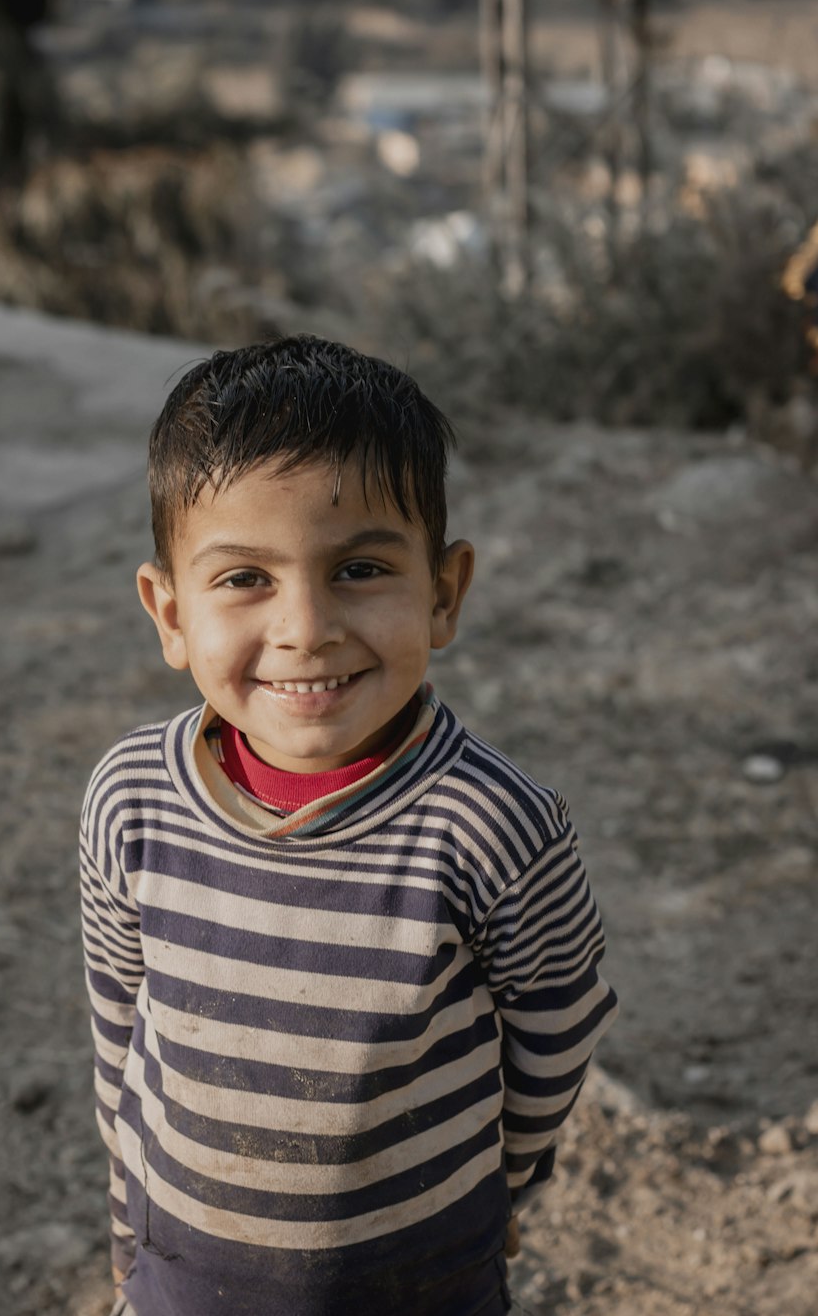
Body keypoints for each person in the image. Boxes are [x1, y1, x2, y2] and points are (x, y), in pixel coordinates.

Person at [79, 335, 618, 1316]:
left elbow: (557, 1027)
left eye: (360, 568)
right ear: (168, 613)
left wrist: (497, 1187)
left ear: (443, 592)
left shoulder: (494, 827)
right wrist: (129, 1234)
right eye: (245, 578)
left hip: (417, 1278)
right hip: (182, 1279)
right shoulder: (130, 799)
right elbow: (121, 1032)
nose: (305, 627)